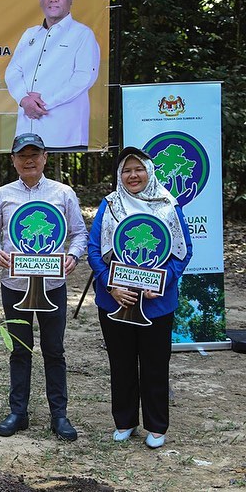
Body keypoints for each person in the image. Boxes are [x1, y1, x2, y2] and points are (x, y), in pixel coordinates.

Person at [0, 133, 88, 441]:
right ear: (13, 159)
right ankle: (18, 413)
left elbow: (79, 233)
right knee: (19, 349)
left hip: (53, 284)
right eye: (22, 155)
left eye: (35, 154)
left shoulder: (63, 193)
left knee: (54, 350)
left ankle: (59, 415)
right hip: (15, 284)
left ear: (44, 158)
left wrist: (73, 255)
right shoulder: (3, 194)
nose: (29, 160)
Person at [88, 147, 192, 449]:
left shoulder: (167, 206)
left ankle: (157, 426)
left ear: (149, 171)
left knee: (155, 364)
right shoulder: (110, 205)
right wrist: (111, 286)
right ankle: (125, 421)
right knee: (120, 363)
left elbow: (183, 253)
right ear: (120, 176)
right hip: (115, 301)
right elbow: (95, 250)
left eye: (138, 169)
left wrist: (162, 281)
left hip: (156, 303)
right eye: (126, 170)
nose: (133, 175)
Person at [5, 0, 100, 150]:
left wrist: (43, 103)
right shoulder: (30, 34)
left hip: (64, 135)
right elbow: (13, 72)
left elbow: (83, 78)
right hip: (26, 135)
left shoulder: (82, 34)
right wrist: (24, 100)